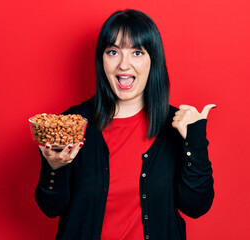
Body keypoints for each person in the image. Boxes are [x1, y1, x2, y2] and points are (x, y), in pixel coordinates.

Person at [35, 9, 215, 240]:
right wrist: (54, 167)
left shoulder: (176, 125)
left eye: (137, 52)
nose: (124, 65)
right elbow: (50, 208)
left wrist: (196, 141)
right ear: (102, 60)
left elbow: (196, 207)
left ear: (153, 61)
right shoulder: (71, 123)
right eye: (113, 52)